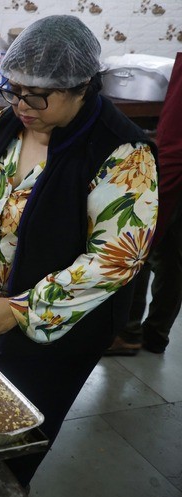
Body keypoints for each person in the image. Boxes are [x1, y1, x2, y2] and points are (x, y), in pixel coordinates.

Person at [0, 15, 158, 487]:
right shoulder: (9, 122)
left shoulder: (121, 152)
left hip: (54, 327)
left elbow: (116, 258)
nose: (22, 104)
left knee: (17, 427)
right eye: (13, 89)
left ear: (82, 88)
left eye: (37, 95)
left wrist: (21, 309)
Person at [106, 51, 182, 356]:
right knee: (171, 255)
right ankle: (155, 335)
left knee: (138, 241)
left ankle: (128, 332)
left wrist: (151, 203)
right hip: (172, 163)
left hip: (171, 168)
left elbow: (174, 146)